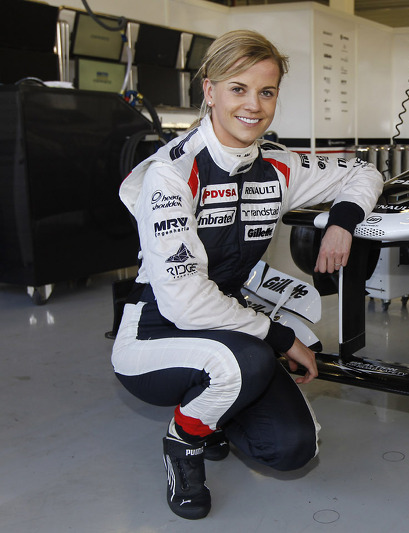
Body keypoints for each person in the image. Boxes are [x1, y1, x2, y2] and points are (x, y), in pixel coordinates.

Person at [112, 29, 383, 520]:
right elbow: (184, 302)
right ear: (209, 91)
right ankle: (183, 443)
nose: (253, 105)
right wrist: (278, 335)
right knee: (250, 361)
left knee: (294, 447)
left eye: (267, 91)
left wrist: (342, 223)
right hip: (154, 333)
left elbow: (363, 171)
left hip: (228, 330)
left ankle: (213, 413)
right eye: (238, 88)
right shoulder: (171, 173)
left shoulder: (277, 165)